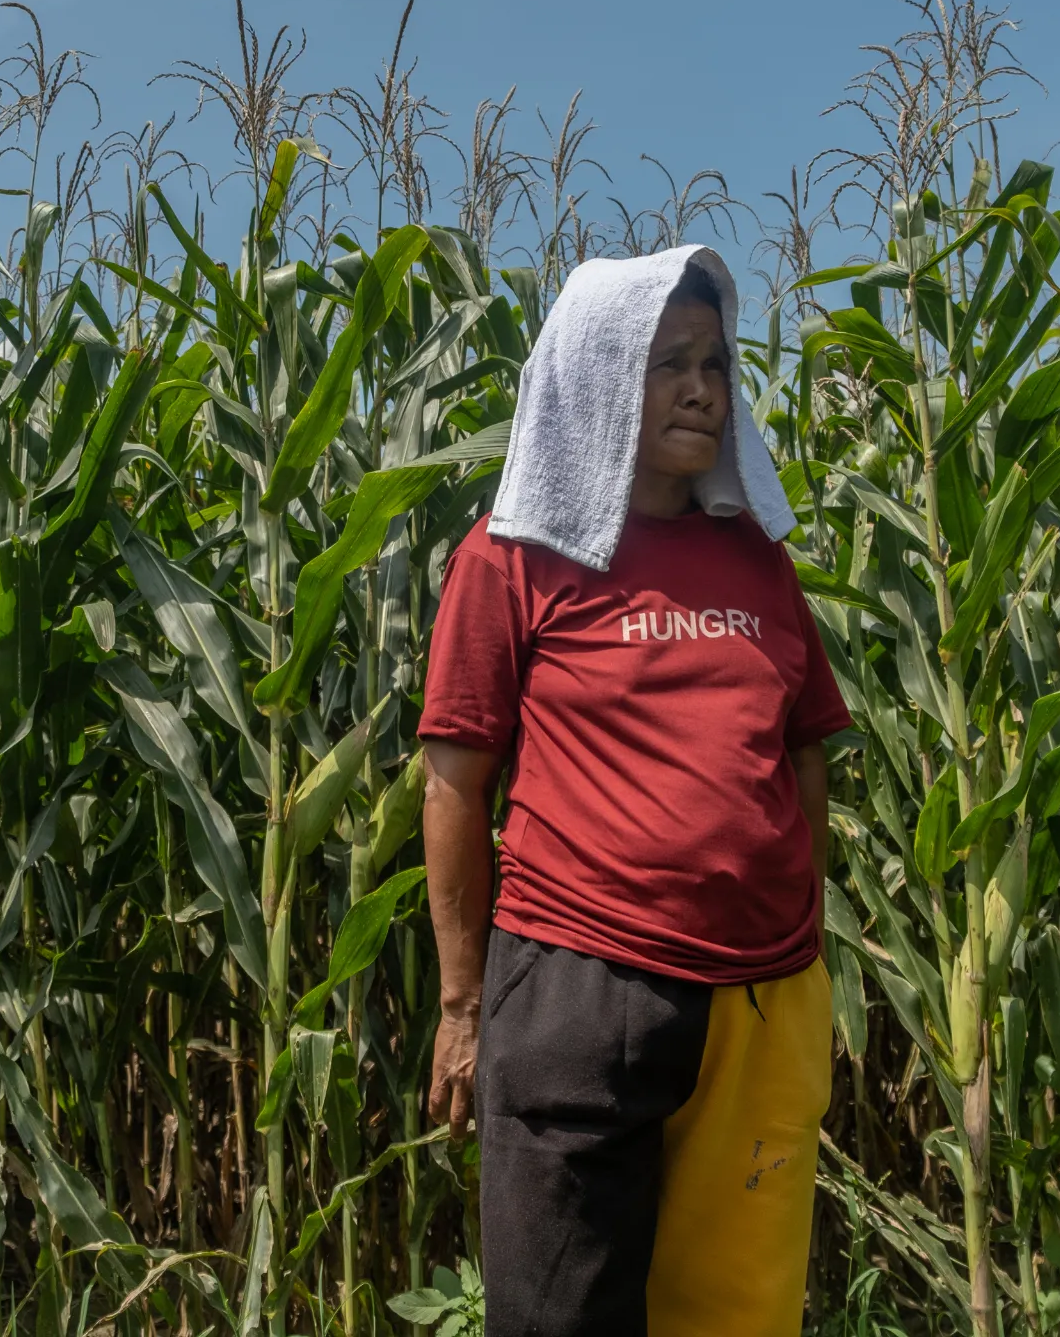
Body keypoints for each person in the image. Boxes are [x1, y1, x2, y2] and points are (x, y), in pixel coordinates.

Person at [416, 244, 851, 1337]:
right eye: (667, 363)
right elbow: (456, 784)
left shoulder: (759, 561)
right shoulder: (515, 557)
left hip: (761, 1002)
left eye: (714, 361)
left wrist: (794, 911)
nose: (702, 386)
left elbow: (807, 751)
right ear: (601, 374)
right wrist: (463, 1007)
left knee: (733, 1321)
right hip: (578, 988)